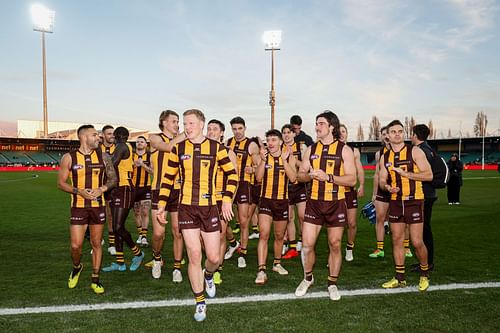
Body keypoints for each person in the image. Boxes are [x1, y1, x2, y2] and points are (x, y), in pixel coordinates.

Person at [157, 109, 238, 322]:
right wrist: (161, 205)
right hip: (186, 208)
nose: (187, 127)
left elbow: (232, 175)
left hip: (209, 207)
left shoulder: (216, 148)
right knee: (194, 254)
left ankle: (208, 275)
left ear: (201, 124)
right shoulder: (178, 148)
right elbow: (167, 178)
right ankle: (200, 302)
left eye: (191, 123)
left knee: (213, 257)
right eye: (185, 123)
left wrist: (228, 198)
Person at [294, 111, 356, 301]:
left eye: (321, 123)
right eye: (316, 123)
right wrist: (309, 175)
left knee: (335, 245)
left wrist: (328, 177)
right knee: (307, 245)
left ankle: (332, 283)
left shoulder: (344, 150)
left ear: (331, 127)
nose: (317, 126)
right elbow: (300, 176)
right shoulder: (311, 150)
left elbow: (352, 180)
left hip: (336, 203)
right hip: (314, 203)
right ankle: (308, 278)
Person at [58, 124, 117, 294]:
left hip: (98, 206)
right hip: (78, 206)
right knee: (76, 246)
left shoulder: (104, 156)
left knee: (96, 243)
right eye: (94, 135)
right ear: (83, 137)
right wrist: (79, 191)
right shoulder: (69, 158)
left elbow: (113, 179)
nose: (98, 137)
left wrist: (101, 189)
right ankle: (77, 267)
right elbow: (60, 183)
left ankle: (95, 278)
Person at [379, 120, 432, 292]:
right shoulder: (385, 157)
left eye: (400, 131)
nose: (397, 134)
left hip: (414, 200)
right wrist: (387, 187)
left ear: (404, 133)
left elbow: (429, 175)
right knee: (396, 240)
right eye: (393, 131)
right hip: (395, 201)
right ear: (387, 135)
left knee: (416, 241)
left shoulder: (414, 151)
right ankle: (399, 277)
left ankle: (424, 274)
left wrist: (406, 174)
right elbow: (381, 180)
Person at [254, 129, 297, 284]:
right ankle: (261, 269)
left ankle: (277, 264)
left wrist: (285, 161)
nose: (270, 143)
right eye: (268, 140)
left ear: (280, 142)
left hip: (282, 202)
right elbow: (258, 178)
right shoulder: (264, 157)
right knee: (264, 234)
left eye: (273, 140)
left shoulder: (288, 156)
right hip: (265, 200)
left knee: (279, 236)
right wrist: (263, 161)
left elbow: (293, 178)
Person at [148, 110, 186, 281]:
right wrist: (186, 134)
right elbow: (168, 147)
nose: (177, 124)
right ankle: (157, 258)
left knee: (178, 231)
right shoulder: (154, 138)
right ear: (163, 122)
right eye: (174, 121)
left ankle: (177, 267)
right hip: (158, 190)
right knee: (158, 233)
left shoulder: (183, 141)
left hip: (178, 190)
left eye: (178, 121)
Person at [102, 127, 145, 272]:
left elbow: (111, 164)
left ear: (116, 136)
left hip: (124, 189)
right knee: (116, 227)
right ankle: (120, 263)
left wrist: (98, 158)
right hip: (118, 189)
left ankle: (138, 253)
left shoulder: (121, 146)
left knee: (118, 227)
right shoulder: (123, 146)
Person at [225, 117, 261, 268]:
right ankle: (233, 242)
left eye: (240, 128)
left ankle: (243, 252)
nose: (237, 132)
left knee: (244, 220)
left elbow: (260, 165)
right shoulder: (228, 143)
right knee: (223, 218)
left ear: (245, 128)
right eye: (234, 129)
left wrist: (252, 169)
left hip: (244, 184)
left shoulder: (251, 145)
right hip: (228, 184)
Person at [206, 119, 238, 285]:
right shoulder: (201, 150)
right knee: (202, 239)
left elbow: (235, 178)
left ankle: (217, 270)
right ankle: (210, 264)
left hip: (221, 200)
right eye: (209, 129)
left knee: (220, 235)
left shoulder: (228, 152)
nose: (211, 132)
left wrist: (229, 202)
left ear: (221, 133)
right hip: (203, 200)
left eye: (215, 129)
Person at [339, 124, 365, 262]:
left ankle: (349, 248)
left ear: (347, 134)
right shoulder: (332, 150)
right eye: (340, 132)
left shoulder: (354, 151)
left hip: (349, 191)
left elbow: (359, 169)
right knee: (336, 224)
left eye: (344, 131)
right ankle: (334, 252)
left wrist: (362, 184)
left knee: (352, 223)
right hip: (335, 191)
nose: (342, 134)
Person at [281, 124, 307, 260]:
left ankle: (303, 242)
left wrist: (292, 159)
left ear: (293, 134)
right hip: (285, 187)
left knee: (302, 216)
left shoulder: (301, 148)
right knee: (289, 217)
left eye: (288, 132)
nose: (286, 135)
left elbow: (305, 167)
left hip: (299, 186)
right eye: (284, 132)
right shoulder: (279, 149)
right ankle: (291, 246)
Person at [369, 126, 391, 258]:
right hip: (383, 190)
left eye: (387, 133)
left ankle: (405, 248)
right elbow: (377, 174)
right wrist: (374, 193)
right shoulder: (379, 154)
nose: (385, 136)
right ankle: (380, 249)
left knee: (401, 220)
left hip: (397, 190)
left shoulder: (404, 151)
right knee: (379, 219)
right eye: (383, 134)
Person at [131, 136, 153, 247]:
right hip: (133, 188)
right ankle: (140, 234)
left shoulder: (150, 156)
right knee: (136, 212)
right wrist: (133, 165)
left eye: (142, 141)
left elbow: (153, 172)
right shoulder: (131, 156)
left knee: (145, 212)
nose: (139, 143)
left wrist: (143, 164)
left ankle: (144, 237)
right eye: (137, 142)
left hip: (146, 187)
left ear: (145, 144)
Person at [99, 125, 117, 256]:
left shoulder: (119, 148)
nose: (112, 136)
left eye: (113, 134)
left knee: (110, 215)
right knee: (97, 216)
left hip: (112, 186)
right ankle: (97, 240)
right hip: (97, 186)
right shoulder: (96, 148)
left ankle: (112, 244)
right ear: (103, 135)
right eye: (109, 133)